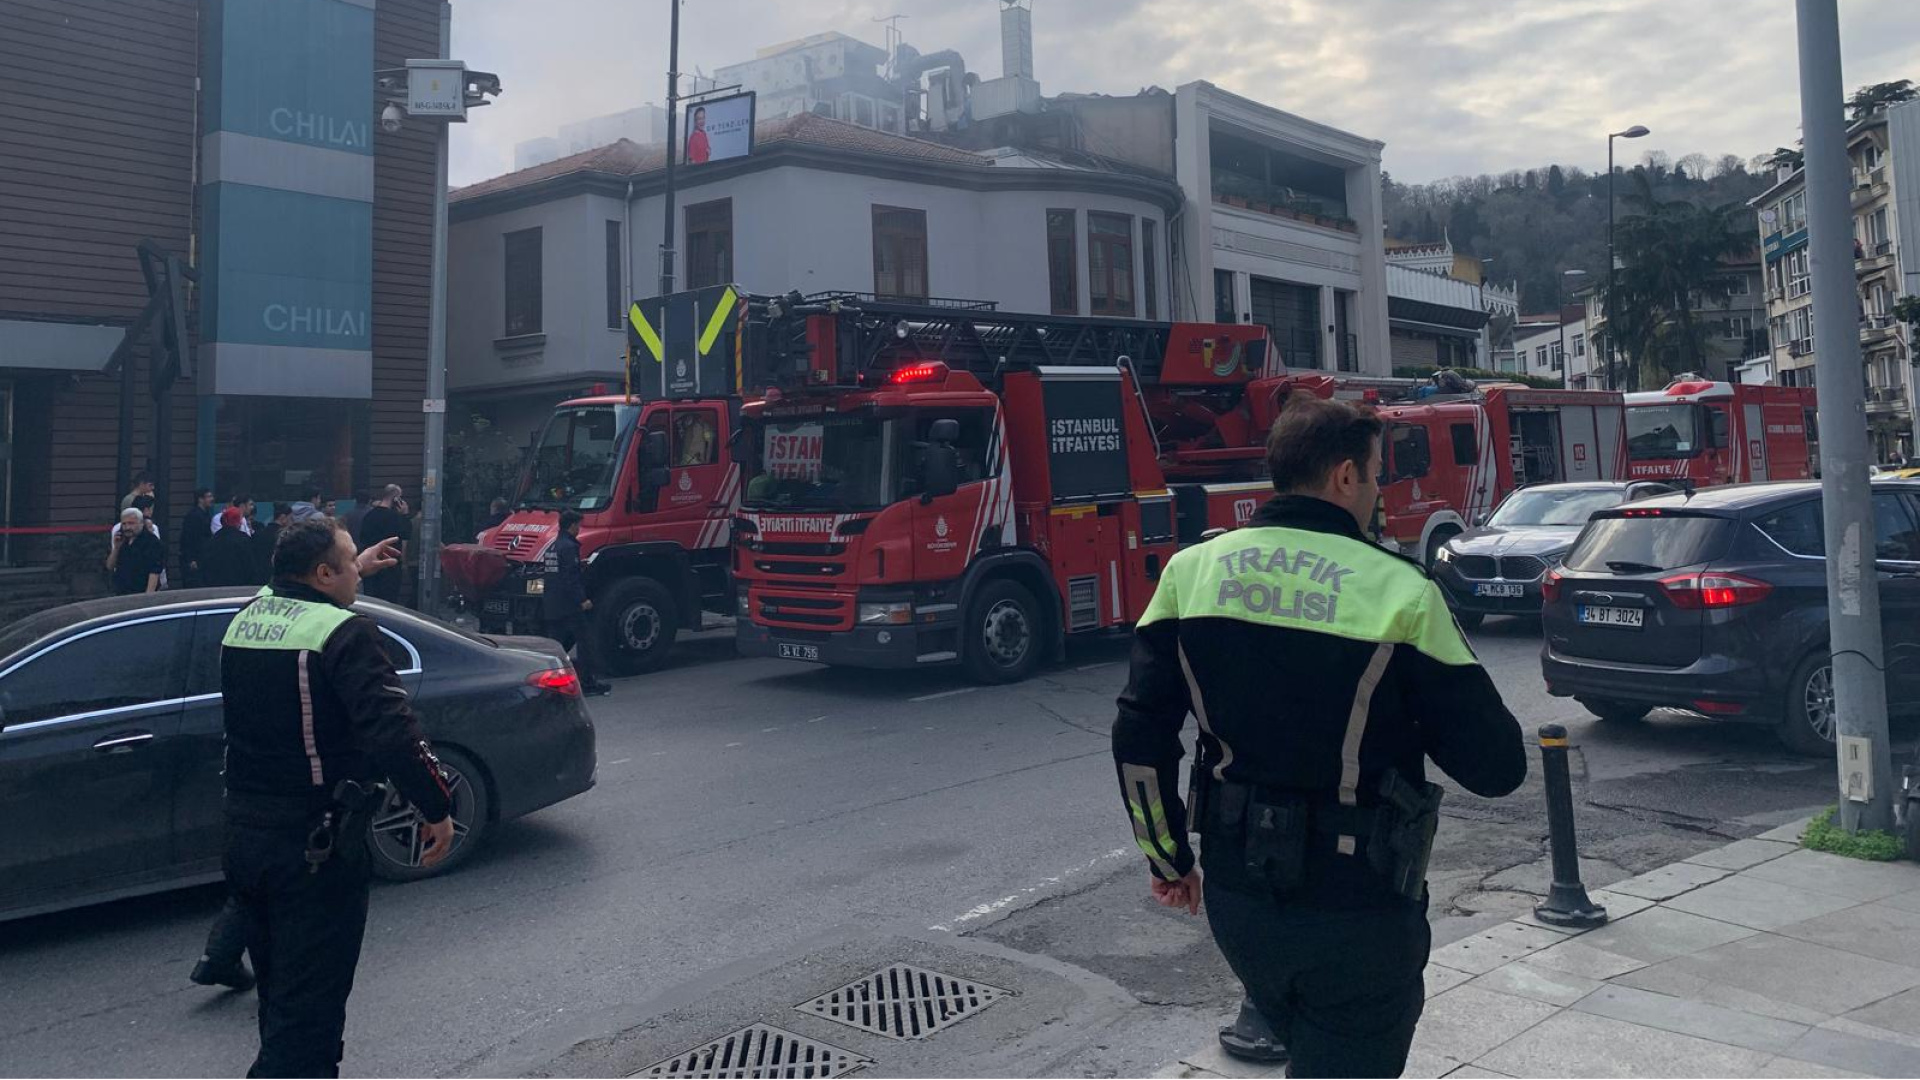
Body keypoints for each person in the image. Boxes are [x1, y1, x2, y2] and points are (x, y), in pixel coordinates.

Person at [1111, 396, 1526, 1078]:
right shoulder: (1401, 592)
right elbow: (1497, 766)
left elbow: (1138, 735)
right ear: (1343, 478)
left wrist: (1166, 858)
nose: (1376, 491)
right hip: (1359, 908)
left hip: (1239, 903)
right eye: (1374, 475)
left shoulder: (1192, 572)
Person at [218, 518, 453, 1077]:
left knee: (279, 998)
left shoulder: (250, 616)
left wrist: (356, 568)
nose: (357, 570)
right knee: (307, 1027)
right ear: (323, 575)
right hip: (315, 849)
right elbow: (394, 732)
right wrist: (437, 807)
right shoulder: (345, 633)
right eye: (348, 562)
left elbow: (293, 593)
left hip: (244, 838)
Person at [543, 510, 610, 696]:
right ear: (572, 526)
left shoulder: (553, 546)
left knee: (555, 646)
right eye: (578, 525)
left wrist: (578, 565)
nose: (579, 529)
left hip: (552, 603)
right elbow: (570, 578)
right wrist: (583, 600)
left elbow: (555, 574)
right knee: (586, 642)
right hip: (569, 605)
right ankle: (588, 683)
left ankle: (551, 683)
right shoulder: (569, 547)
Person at [355, 485, 408, 603]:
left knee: (372, 599)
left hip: (371, 562)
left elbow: (363, 537)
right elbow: (405, 534)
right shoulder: (395, 517)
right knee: (390, 599)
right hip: (390, 564)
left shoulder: (369, 516)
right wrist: (404, 515)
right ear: (396, 499)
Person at [108, 507, 164, 595]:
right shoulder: (122, 540)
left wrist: (148, 596)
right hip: (121, 593)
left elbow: (154, 572)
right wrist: (116, 548)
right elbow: (110, 566)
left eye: (131, 523)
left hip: (140, 592)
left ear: (141, 523)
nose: (127, 527)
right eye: (124, 524)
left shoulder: (152, 542)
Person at [203, 507, 264, 587]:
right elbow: (250, 564)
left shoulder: (212, 540)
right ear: (237, 521)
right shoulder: (243, 539)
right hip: (239, 586)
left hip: (216, 587)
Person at [181, 488, 215, 587]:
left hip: (203, 557)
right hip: (195, 558)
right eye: (209, 497)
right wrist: (191, 559)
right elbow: (188, 538)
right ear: (200, 499)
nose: (212, 499)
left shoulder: (205, 515)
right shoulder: (194, 516)